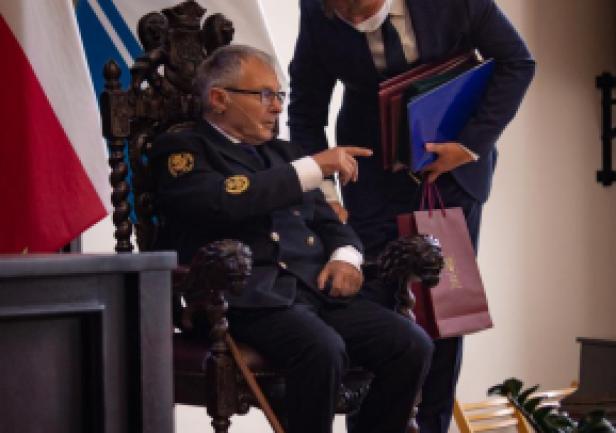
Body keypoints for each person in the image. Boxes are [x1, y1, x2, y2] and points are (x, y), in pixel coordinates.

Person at [151, 44, 434, 433]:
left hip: (314, 291)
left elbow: (330, 222)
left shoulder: (285, 154)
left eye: (280, 96)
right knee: (322, 349)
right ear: (219, 99)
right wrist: (313, 166)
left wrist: (346, 257)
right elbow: (224, 202)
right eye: (265, 95)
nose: (277, 107)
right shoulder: (183, 150)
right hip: (242, 300)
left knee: (410, 343)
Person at [287, 1, 536, 432]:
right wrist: (324, 192)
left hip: (450, 174)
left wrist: (470, 144)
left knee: (442, 310)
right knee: (369, 307)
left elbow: (518, 63)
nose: (350, 17)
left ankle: (434, 424)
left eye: (358, 6)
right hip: (370, 181)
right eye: (339, 10)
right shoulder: (318, 8)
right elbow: (305, 111)